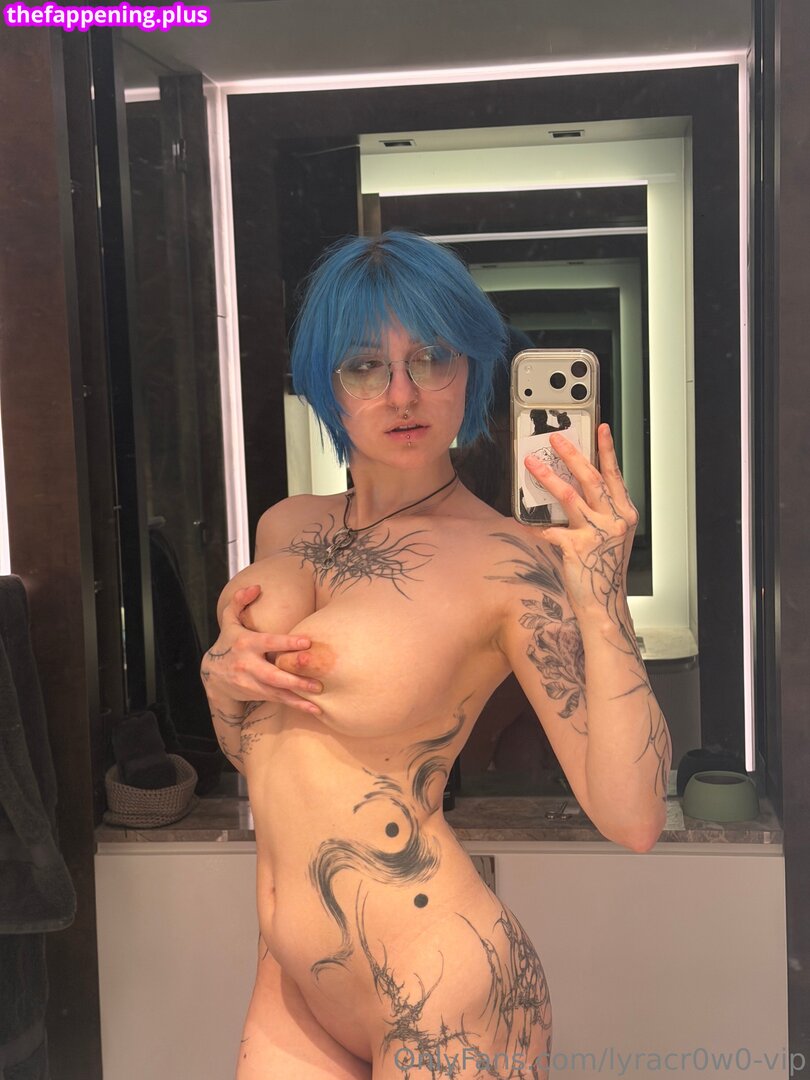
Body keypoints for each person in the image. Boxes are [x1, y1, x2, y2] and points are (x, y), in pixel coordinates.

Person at [201, 230, 672, 1080]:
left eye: (432, 358)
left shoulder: (505, 561)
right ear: (325, 384)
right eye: (365, 366)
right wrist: (220, 680)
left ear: (472, 369)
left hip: (441, 985)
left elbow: (633, 818)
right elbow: (266, 759)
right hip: (291, 980)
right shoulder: (285, 526)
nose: (402, 393)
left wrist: (601, 593)